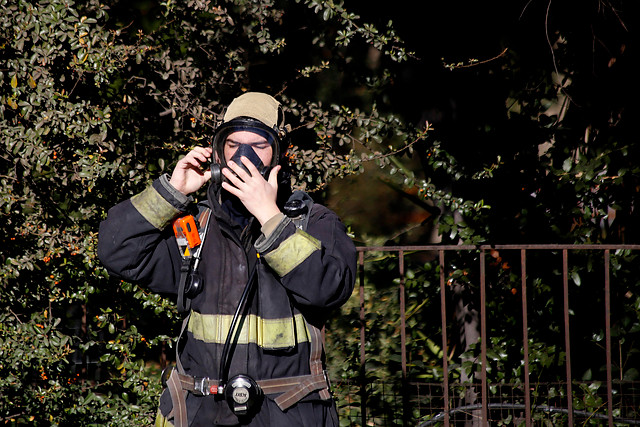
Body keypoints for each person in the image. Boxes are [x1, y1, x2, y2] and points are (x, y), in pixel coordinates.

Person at [97, 92, 357, 426]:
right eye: (233, 144)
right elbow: (117, 251)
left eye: (258, 145)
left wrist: (269, 217)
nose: (243, 156)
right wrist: (172, 192)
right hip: (203, 414)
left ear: (280, 154)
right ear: (218, 151)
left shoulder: (314, 223)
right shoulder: (199, 230)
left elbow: (329, 289)